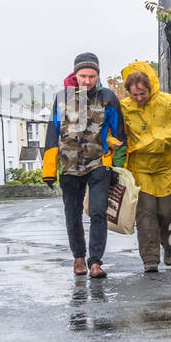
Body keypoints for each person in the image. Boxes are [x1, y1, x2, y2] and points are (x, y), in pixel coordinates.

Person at [42, 53, 124, 278]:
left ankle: (95, 262)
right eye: (83, 76)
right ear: (75, 74)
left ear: (98, 75)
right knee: (72, 213)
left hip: (99, 163)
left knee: (98, 212)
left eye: (92, 76)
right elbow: (52, 133)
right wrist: (49, 170)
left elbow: (119, 134)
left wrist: (118, 168)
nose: (87, 81)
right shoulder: (61, 98)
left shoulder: (108, 97)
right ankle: (78, 257)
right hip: (69, 165)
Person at [118, 61, 171, 272]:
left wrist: (160, 141)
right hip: (140, 169)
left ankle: (170, 248)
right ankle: (150, 259)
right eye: (134, 95)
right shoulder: (125, 109)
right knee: (145, 214)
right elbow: (115, 131)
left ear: (150, 88)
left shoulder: (167, 102)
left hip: (166, 168)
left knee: (167, 212)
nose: (138, 98)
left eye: (142, 93)